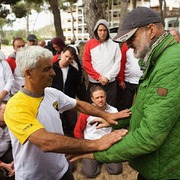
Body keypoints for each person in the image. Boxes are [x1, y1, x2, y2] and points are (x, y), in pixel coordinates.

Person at [69, 7, 180, 180]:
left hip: (164, 169)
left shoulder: (171, 65)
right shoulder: (160, 59)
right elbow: (148, 107)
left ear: (151, 31)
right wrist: (114, 120)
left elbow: (149, 137)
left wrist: (98, 152)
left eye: (131, 38)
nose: (127, 45)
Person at [4, 45, 131, 180]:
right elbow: (46, 142)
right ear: (28, 73)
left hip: (62, 171)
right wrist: (96, 144)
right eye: (47, 69)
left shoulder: (51, 93)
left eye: (52, 67)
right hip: (34, 176)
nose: (53, 73)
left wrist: (107, 115)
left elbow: (79, 105)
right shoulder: (16, 106)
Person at [74, 85, 123, 178]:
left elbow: (118, 128)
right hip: (91, 144)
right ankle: (97, 159)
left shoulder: (113, 110)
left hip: (108, 144)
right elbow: (77, 131)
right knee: (89, 173)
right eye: (97, 98)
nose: (100, 100)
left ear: (105, 97)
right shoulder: (86, 112)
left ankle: (101, 158)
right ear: (92, 99)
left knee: (116, 170)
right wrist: (82, 147)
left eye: (102, 97)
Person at [83, 19, 121, 107]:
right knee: (94, 108)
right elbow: (86, 63)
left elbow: (117, 62)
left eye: (105, 30)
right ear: (96, 31)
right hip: (95, 83)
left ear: (108, 31)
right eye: (100, 30)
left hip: (110, 83)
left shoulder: (114, 45)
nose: (102, 33)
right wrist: (98, 77)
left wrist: (107, 77)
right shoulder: (89, 44)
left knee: (110, 107)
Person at [52, 46, 86, 137]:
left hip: (69, 101)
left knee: (72, 124)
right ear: (61, 54)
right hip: (54, 102)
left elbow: (78, 88)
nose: (67, 59)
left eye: (70, 58)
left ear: (73, 59)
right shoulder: (52, 68)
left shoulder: (74, 72)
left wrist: (86, 102)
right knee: (57, 126)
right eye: (66, 56)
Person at [116, 42, 143, 110]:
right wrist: (121, 80)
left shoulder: (145, 42)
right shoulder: (126, 45)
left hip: (142, 80)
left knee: (141, 104)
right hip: (128, 80)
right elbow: (122, 63)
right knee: (126, 104)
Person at [0, 102, 15, 179]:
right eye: (3, 111)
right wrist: (4, 165)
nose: (6, 114)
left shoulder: (10, 125)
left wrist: (16, 160)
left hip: (5, 153)